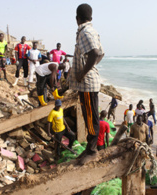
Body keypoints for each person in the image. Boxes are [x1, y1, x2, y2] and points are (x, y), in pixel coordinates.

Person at [69, 4, 104, 165]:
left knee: (91, 118)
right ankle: (90, 148)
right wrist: (89, 66)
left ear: (77, 18)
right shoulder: (91, 31)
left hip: (88, 84)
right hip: (88, 84)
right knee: (90, 117)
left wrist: (83, 73)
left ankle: (92, 150)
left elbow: (95, 54)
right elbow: (100, 54)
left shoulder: (85, 32)